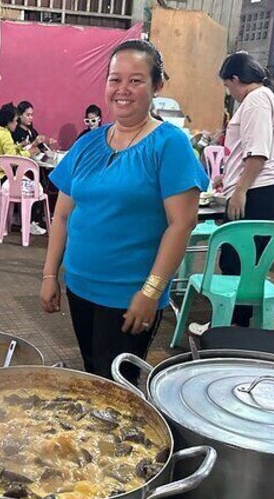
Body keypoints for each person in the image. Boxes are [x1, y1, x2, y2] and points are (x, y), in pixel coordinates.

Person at [40, 39, 207, 382]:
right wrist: (49, 275)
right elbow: (62, 215)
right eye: (115, 79)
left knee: (118, 383)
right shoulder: (88, 143)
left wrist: (151, 291)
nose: (123, 90)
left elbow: (181, 224)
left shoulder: (169, 144)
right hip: (80, 285)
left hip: (130, 293)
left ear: (157, 86)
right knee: (92, 372)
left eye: (136, 80)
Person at [215, 52, 274, 327]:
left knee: (235, 259)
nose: (230, 93)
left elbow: (258, 154)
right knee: (245, 259)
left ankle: (233, 324)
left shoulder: (255, 101)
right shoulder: (264, 97)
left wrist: (239, 190)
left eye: (228, 86)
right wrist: (230, 178)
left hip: (259, 191)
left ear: (236, 79)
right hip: (265, 188)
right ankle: (239, 320)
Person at [0, 103, 46, 236]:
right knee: (33, 186)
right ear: (9, 121)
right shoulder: (5, 135)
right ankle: (28, 223)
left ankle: (17, 219)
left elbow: (8, 152)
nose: (17, 124)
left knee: (24, 181)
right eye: (16, 120)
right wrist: (29, 152)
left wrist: (20, 147)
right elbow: (13, 159)